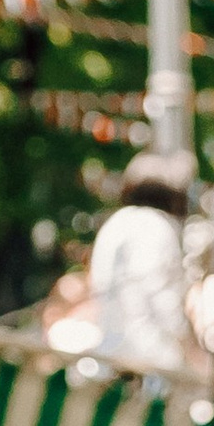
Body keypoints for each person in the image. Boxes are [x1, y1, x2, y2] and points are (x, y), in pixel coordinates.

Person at [85, 154, 197, 369]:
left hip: (109, 350)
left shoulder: (115, 223)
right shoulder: (157, 226)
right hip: (151, 356)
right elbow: (161, 297)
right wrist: (187, 344)